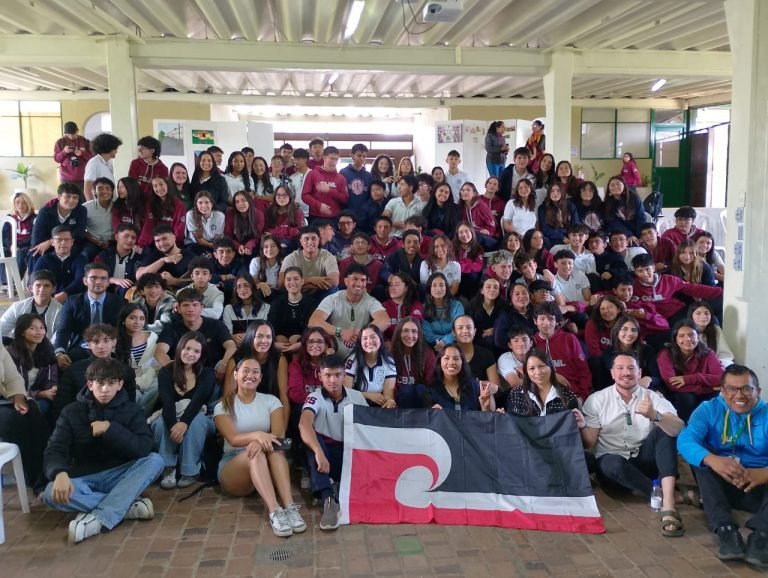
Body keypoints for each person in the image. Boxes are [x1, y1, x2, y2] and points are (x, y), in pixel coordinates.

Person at [41, 358, 164, 544]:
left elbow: (144, 447)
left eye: (111, 383)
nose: (105, 389)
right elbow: (55, 448)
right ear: (90, 384)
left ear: (120, 385)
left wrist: (111, 429)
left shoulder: (133, 410)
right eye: (100, 383)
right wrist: (59, 473)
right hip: (84, 477)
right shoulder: (71, 412)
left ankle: (101, 517)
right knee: (50, 493)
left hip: (120, 474)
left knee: (155, 460)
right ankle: (126, 506)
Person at [581, 354, 685, 538]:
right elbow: (589, 442)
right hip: (614, 471)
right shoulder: (597, 399)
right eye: (620, 368)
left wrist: (655, 415)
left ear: (639, 373)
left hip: (644, 460)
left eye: (631, 368)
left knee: (665, 428)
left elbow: (679, 427)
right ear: (612, 373)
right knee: (611, 462)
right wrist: (581, 425)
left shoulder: (652, 397)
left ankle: (668, 503)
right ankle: (667, 494)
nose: (626, 373)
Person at [677, 364, 768, 567]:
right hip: (722, 482)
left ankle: (762, 536)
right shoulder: (708, 410)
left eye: (746, 388)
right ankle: (726, 531)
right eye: (732, 389)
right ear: (722, 390)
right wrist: (713, 459)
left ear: (758, 391)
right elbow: (685, 440)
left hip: (758, 486)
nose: (739, 395)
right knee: (702, 463)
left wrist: (765, 473)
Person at [214, 357, 306, 537]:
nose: (250, 375)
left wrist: (259, 441)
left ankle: (289, 507)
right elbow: (233, 439)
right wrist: (257, 436)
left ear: (261, 377)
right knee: (254, 453)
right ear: (235, 374)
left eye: (255, 371)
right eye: (245, 370)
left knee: (275, 450)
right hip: (234, 465)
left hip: (265, 455)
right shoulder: (223, 405)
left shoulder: (271, 401)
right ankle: (275, 511)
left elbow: (278, 436)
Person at [299, 355, 368, 530]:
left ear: (344, 375)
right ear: (320, 375)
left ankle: (340, 485)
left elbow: (368, 428)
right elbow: (304, 423)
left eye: (337, 375)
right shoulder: (314, 398)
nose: (333, 380)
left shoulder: (357, 396)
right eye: (328, 375)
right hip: (324, 456)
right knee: (312, 443)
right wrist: (319, 453)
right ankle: (328, 499)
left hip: (348, 453)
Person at [153, 331, 215, 490]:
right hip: (172, 413)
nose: (190, 354)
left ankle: (190, 470)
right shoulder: (166, 371)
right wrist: (175, 425)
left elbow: (198, 401)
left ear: (202, 355)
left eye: (196, 351)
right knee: (161, 423)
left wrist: (184, 423)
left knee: (197, 422)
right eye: (187, 348)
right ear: (180, 348)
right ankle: (168, 467)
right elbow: (167, 402)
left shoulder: (207, 373)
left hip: (199, 416)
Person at [53, 324, 137, 420]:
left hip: (117, 422)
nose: (101, 346)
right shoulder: (73, 370)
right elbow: (61, 406)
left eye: (106, 340)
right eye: (96, 342)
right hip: (79, 422)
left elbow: (131, 406)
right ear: (89, 344)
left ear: (114, 342)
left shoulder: (126, 371)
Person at [307, 263, 389, 358]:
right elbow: (313, 321)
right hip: (333, 356)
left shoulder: (370, 301)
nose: (359, 284)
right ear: (346, 281)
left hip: (361, 356)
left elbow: (385, 320)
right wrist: (340, 332)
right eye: (355, 279)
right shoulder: (333, 299)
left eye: (363, 280)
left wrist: (363, 332)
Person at [53, 262, 125, 367]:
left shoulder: (120, 303)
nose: (98, 282)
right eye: (93, 278)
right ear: (85, 281)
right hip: (82, 347)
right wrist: (59, 352)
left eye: (103, 278)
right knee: (63, 363)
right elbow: (64, 330)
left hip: (109, 347)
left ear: (108, 282)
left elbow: (122, 331)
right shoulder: (73, 302)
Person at [155, 288, 236, 381]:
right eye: (186, 305)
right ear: (178, 309)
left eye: (195, 305)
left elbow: (231, 346)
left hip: (213, 375)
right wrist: (172, 369)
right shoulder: (171, 328)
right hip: (182, 376)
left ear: (202, 307)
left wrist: (224, 364)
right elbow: (159, 351)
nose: (190, 309)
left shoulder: (216, 325)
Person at [657, 320, 723, 422]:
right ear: (675, 339)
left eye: (691, 335)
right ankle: (685, 430)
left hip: (704, 393)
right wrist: (705, 388)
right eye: (681, 336)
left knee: (720, 395)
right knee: (687, 399)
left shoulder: (708, 354)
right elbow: (672, 384)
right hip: (680, 394)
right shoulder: (666, 355)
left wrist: (691, 378)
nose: (687, 339)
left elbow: (722, 378)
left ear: (698, 337)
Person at [532, 302, 592, 400]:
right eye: (542, 319)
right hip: (544, 397)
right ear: (535, 321)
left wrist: (583, 396)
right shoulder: (531, 343)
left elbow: (583, 370)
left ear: (557, 321)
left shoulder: (569, 339)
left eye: (551, 319)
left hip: (573, 394)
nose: (547, 323)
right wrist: (552, 376)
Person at [6, 313, 58, 418]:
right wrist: (38, 394)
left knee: (41, 407)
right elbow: (8, 387)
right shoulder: (10, 354)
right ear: (22, 332)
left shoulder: (48, 350)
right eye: (33, 328)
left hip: (36, 398)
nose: (39, 332)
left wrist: (53, 388)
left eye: (42, 328)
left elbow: (51, 379)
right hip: (12, 399)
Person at [506, 348, 581, 418]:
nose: (538, 372)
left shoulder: (568, 397)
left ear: (551, 368)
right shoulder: (516, 394)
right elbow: (512, 425)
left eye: (542, 366)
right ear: (526, 372)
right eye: (532, 368)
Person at [114, 303, 160, 416]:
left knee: (159, 386)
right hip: (126, 382)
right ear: (123, 320)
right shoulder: (115, 340)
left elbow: (156, 363)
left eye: (141, 318)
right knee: (135, 394)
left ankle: (140, 418)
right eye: (132, 318)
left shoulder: (153, 336)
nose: (137, 322)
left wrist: (142, 381)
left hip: (150, 378)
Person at [426, 345, 495, 411]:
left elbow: (487, 421)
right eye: (446, 358)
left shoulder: (475, 387)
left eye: (456, 358)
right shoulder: (431, 391)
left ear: (462, 362)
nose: (451, 362)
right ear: (439, 362)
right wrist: (434, 415)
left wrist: (485, 408)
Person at [343, 325, 396, 408]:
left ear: (380, 339)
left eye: (373, 337)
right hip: (356, 403)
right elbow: (346, 392)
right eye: (365, 338)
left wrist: (390, 401)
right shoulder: (352, 359)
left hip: (378, 404)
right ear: (360, 342)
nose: (369, 341)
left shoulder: (388, 361)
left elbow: (388, 394)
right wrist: (367, 395)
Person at [30, 183, 87, 260]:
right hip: (49, 247)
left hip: (70, 246)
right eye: (68, 196)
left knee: (79, 255)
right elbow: (37, 238)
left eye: (75, 197)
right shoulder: (45, 211)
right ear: (59, 197)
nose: (71, 200)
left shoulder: (81, 210)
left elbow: (79, 234)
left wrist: (51, 241)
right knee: (34, 255)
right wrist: (52, 244)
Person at [0, 269, 62, 340]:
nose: (42, 289)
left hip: (46, 348)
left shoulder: (60, 310)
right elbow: (2, 328)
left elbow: (59, 337)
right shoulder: (17, 307)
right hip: (19, 347)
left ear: (53, 289)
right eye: (38, 286)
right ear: (30, 288)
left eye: (46, 286)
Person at [268, 267, 317, 354]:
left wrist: (301, 342)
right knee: (280, 339)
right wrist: (274, 343)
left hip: (302, 342)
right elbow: (271, 325)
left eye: (296, 279)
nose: (292, 282)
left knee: (295, 338)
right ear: (285, 282)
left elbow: (310, 328)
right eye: (288, 279)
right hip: (280, 342)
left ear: (302, 281)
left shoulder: (311, 303)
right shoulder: (277, 302)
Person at [279, 226, 339, 296]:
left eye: (313, 239)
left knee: (333, 289)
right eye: (306, 239)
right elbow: (281, 282)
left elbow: (334, 281)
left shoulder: (328, 256)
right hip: (298, 292)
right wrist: (312, 280)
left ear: (319, 240)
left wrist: (298, 283)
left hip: (320, 291)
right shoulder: (291, 258)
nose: (310, 242)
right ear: (301, 241)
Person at [32, 225, 87, 302]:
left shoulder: (80, 259)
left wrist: (65, 293)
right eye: (59, 240)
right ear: (52, 242)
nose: (63, 243)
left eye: (67, 240)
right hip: (49, 299)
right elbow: (35, 279)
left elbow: (81, 280)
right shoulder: (44, 260)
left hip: (74, 299)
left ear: (72, 242)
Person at [136, 224, 194, 289]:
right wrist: (163, 260)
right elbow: (139, 276)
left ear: (173, 238)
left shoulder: (190, 256)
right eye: (157, 241)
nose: (161, 243)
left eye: (164, 239)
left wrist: (175, 281)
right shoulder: (152, 254)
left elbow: (199, 281)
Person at [302, 146, 349, 223]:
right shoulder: (312, 174)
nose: (334, 161)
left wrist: (330, 190)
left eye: (336, 159)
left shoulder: (341, 178)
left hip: (334, 218)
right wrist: (318, 206)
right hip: (315, 216)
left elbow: (345, 199)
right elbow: (305, 195)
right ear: (324, 158)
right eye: (331, 158)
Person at [452, 314, 500, 386]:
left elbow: (496, 386)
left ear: (474, 331)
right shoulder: (446, 354)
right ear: (453, 332)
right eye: (460, 328)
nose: (465, 331)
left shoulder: (486, 354)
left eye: (469, 327)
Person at [422, 272, 464, 353]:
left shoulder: (457, 306)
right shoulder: (423, 308)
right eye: (434, 285)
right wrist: (442, 341)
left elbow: (459, 330)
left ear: (446, 288)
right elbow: (428, 336)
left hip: (455, 345)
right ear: (429, 288)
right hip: (433, 347)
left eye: (441, 285)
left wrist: (445, 341)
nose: (438, 289)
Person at [223, 273, 270, 346]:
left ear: (253, 287)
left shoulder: (265, 307)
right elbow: (227, 334)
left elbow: (267, 333)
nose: (242, 290)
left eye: (246, 285)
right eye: (238, 287)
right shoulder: (229, 309)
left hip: (259, 347)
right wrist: (232, 337)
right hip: (237, 348)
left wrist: (250, 337)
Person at [95, 223, 141, 296]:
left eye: (133, 238)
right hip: (103, 293)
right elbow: (94, 277)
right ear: (116, 237)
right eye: (126, 236)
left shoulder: (138, 258)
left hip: (127, 296)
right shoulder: (104, 256)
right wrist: (113, 280)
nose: (130, 240)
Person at [688, 300, 734, 367]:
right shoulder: (686, 331)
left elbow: (724, 353)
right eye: (698, 313)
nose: (703, 316)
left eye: (706, 313)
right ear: (691, 316)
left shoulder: (715, 329)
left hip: (714, 364)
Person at [604, 176, 645, 244]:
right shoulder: (607, 203)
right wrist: (629, 235)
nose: (615, 187)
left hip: (637, 231)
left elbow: (640, 217)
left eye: (618, 184)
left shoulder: (634, 198)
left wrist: (640, 235)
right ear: (609, 189)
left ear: (624, 186)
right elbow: (613, 222)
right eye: (612, 185)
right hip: (620, 233)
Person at [3, 191, 36, 279]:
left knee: (21, 253)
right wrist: (11, 245)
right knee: (2, 252)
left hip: (27, 246)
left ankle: (15, 283)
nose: (20, 205)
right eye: (17, 202)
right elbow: (5, 237)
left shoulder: (34, 218)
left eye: (24, 202)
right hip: (12, 246)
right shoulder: (9, 218)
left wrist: (18, 245)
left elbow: (34, 237)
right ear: (14, 204)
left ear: (28, 204)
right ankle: (5, 283)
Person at [538, 183, 580, 249]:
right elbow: (545, 229)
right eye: (552, 191)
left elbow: (576, 224)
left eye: (558, 190)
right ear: (549, 193)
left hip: (570, 237)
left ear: (562, 192)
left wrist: (571, 237)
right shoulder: (542, 208)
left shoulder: (570, 205)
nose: (555, 193)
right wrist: (562, 237)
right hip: (552, 238)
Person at [54, 121, 92, 194]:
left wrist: (82, 153)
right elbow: (56, 159)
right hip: (66, 179)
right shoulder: (60, 142)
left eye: (73, 134)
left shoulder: (85, 141)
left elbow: (92, 158)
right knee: (66, 201)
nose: (71, 137)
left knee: (82, 201)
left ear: (77, 131)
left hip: (82, 179)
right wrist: (64, 152)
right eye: (68, 134)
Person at [82, 177, 115, 260]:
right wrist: (97, 241)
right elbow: (81, 229)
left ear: (112, 192)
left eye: (108, 188)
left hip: (112, 241)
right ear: (94, 192)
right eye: (100, 188)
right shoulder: (85, 207)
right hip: (92, 241)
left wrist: (110, 241)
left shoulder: (117, 207)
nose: (104, 191)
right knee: (86, 254)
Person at [83, 133, 122, 201]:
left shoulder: (108, 164)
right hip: (99, 206)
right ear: (109, 148)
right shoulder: (93, 163)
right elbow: (87, 190)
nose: (116, 151)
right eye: (115, 148)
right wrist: (94, 208)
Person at [225, 190, 264, 257]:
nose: (240, 204)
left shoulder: (259, 215)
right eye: (237, 202)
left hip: (253, 246)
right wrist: (237, 246)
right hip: (234, 246)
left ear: (249, 201)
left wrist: (249, 246)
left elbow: (258, 237)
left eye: (243, 200)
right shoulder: (230, 214)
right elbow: (228, 236)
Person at [249, 234, 284, 299]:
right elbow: (252, 285)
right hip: (260, 295)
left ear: (279, 248)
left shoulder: (284, 263)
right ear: (262, 249)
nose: (269, 249)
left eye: (273, 246)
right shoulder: (256, 262)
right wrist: (260, 284)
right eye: (266, 247)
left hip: (277, 296)